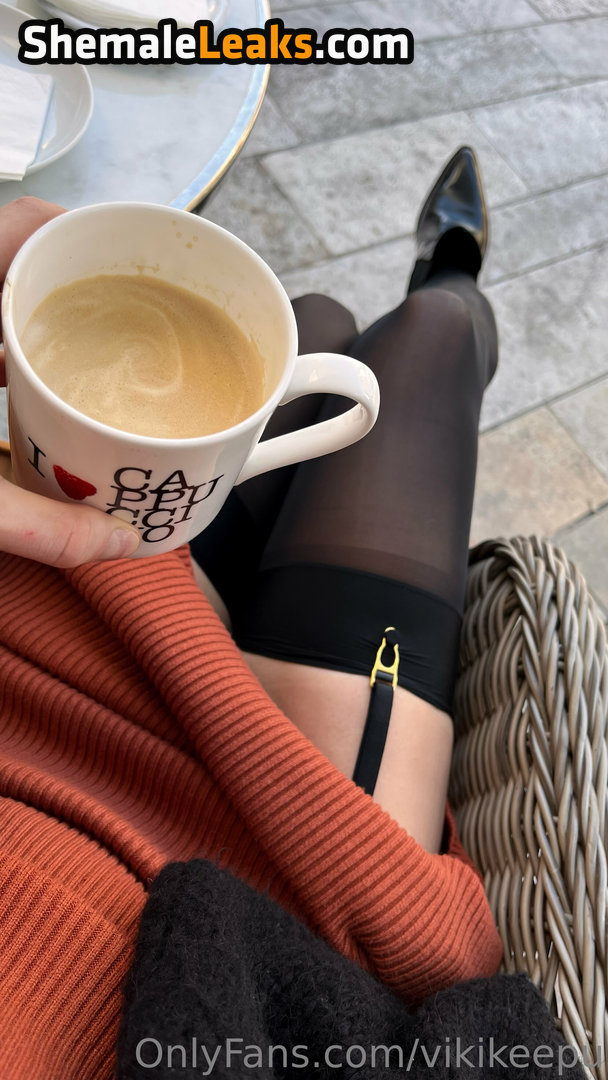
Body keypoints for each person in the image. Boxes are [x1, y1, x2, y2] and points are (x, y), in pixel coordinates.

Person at [0, 150, 507, 1079]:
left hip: (77, 620)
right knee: (429, 334)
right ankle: (453, 270)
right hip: (281, 859)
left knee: (313, 324)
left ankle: (433, 285)